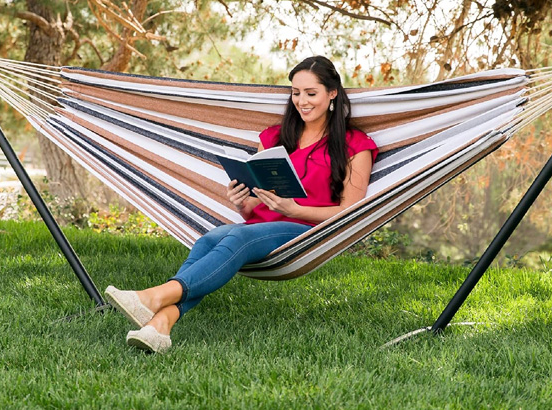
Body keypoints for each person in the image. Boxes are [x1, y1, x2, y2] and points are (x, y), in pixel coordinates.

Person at [104, 56, 378, 353]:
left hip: (307, 231)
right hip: (258, 227)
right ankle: (160, 326)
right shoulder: (274, 137)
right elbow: (254, 203)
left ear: (332, 93)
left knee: (237, 235)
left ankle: (154, 298)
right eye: (296, 93)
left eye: (311, 93)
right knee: (209, 239)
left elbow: (350, 211)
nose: (302, 101)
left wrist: (294, 211)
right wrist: (241, 203)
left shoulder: (355, 144)